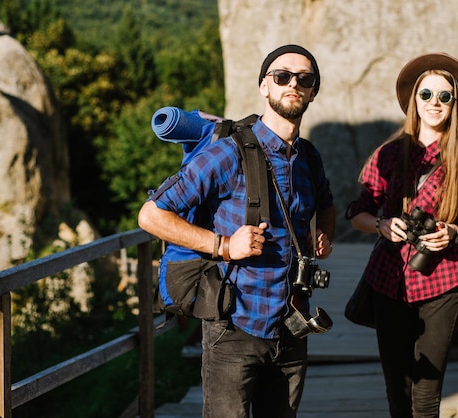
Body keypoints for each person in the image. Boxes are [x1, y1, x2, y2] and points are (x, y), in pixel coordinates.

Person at [138, 44, 336, 418]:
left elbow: (327, 205)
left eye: (304, 79)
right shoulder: (228, 153)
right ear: (265, 86)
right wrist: (224, 245)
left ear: (313, 92)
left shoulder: (310, 157)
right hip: (235, 325)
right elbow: (151, 216)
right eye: (282, 76)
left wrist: (324, 233)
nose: (293, 83)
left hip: (293, 324)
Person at [345, 52, 458, 417]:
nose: (434, 103)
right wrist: (382, 225)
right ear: (414, 100)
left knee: (427, 394)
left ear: (454, 104)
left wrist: (455, 232)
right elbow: (357, 213)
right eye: (426, 94)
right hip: (388, 280)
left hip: (441, 281)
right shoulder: (388, 154)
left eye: (445, 96)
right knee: (398, 389)